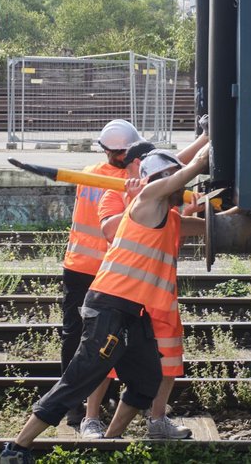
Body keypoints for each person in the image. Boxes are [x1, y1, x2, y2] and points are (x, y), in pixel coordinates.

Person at [0, 146, 210, 464]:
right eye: (172, 178)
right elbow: (185, 173)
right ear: (159, 178)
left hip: (134, 311)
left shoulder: (169, 216)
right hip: (109, 306)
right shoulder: (148, 198)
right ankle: (17, 449)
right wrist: (205, 152)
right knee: (78, 380)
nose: (179, 188)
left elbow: (211, 225)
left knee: (147, 381)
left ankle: (109, 445)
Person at [82, 125, 211, 439]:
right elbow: (112, 229)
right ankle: (91, 419)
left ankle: (156, 421)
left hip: (160, 302)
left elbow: (209, 226)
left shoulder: (169, 212)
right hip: (123, 297)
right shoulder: (120, 195)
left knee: (169, 361)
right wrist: (136, 196)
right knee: (106, 361)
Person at [58, 119, 144, 428]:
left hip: (77, 266)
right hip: (109, 272)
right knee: (113, 335)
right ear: (127, 152)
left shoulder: (88, 173)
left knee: (75, 337)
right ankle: (107, 397)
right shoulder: (128, 182)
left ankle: (72, 406)